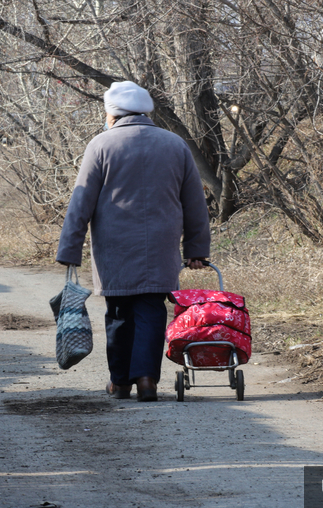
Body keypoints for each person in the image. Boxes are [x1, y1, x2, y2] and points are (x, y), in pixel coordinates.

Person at [55, 81, 211, 402]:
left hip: (115, 248)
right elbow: (195, 203)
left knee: (119, 312)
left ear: (112, 114)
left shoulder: (101, 145)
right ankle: (147, 380)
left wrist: (70, 250)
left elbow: (80, 203)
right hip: (161, 246)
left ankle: (121, 381)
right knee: (152, 310)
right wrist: (196, 249)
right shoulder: (175, 145)